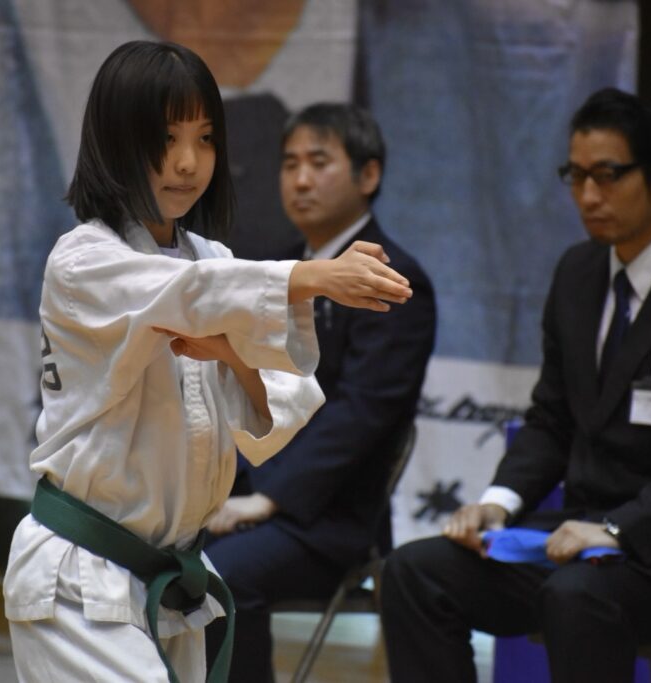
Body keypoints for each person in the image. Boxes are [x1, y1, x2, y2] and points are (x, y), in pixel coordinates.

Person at [1, 41, 415, 683]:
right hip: (81, 576)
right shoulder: (83, 260)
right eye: (164, 138)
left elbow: (274, 412)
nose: (187, 162)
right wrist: (313, 276)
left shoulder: (214, 259)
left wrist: (233, 354)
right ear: (115, 141)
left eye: (204, 138)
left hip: (172, 584)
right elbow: (187, 295)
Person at [380, 87, 651, 683]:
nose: (588, 196)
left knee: (577, 595)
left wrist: (618, 530)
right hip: (579, 537)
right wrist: (498, 503)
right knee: (415, 572)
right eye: (577, 176)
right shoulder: (577, 273)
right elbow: (552, 418)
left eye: (608, 176)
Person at [203, 103, 436, 681]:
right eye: (290, 164)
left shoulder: (395, 279)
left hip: (331, 518)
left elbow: (362, 413)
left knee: (216, 579)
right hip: (248, 494)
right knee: (148, 547)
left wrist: (271, 500)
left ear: (368, 174)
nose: (301, 180)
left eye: (319, 162)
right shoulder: (278, 267)